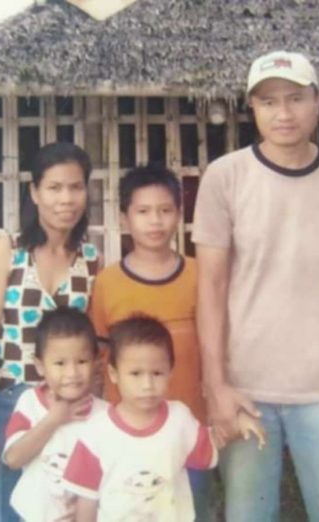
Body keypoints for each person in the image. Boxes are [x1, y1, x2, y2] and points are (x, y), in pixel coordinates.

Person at [192, 50, 319, 520]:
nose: (284, 113)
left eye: (295, 98)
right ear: (252, 108)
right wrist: (216, 386)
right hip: (245, 388)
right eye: (269, 101)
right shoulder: (225, 176)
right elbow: (209, 288)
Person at [0, 142, 99, 521]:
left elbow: (89, 348)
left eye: (75, 187)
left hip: (64, 409)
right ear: (34, 192)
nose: (66, 199)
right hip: (6, 404)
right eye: (54, 188)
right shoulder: (7, 251)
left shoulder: (90, 260)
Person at [88, 164, 212, 518]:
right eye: (143, 212)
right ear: (125, 219)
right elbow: (100, 359)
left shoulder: (199, 274)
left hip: (189, 428)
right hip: (128, 434)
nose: (154, 221)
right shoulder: (108, 283)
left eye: (164, 210)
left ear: (178, 215)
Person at [62, 316, 264, 522]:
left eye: (157, 373)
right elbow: (86, 498)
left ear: (170, 372)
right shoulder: (96, 431)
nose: (147, 384)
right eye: (136, 374)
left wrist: (237, 424)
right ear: (113, 373)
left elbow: (212, 442)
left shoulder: (180, 419)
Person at [3, 307, 108, 521]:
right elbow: (13, 459)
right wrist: (54, 419)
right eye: (60, 363)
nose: (72, 373)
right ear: (40, 366)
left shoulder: (106, 415)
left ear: (96, 363)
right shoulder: (30, 403)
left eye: (82, 361)